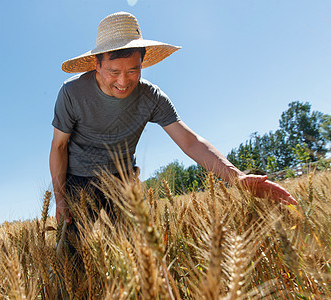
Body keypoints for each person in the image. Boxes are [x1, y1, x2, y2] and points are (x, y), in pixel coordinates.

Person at [50, 11, 297, 226]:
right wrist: (60, 199)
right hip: (78, 181)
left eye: (133, 70)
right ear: (97, 64)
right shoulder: (72, 93)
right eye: (114, 72)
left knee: (136, 253)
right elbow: (59, 146)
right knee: (75, 261)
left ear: (143, 62)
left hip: (124, 180)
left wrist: (238, 177)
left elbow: (190, 141)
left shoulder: (152, 97)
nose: (124, 82)